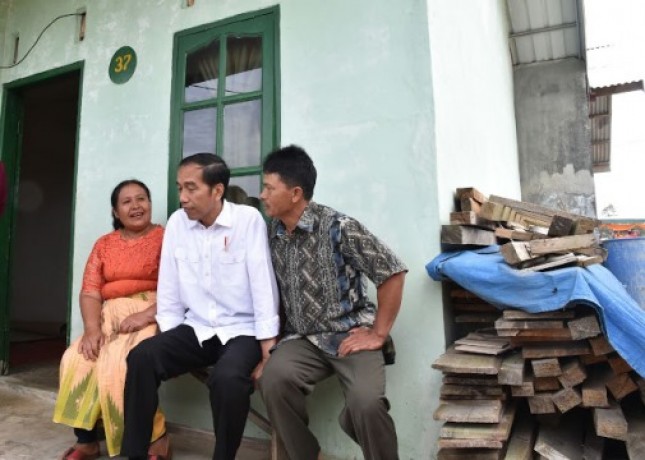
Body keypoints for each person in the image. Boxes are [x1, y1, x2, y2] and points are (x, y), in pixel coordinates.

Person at [121, 153, 280, 460]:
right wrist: (169, 343)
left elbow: (263, 286)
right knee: (142, 357)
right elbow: (169, 289)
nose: (182, 197)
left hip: (242, 330)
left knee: (228, 380)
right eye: (180, 188)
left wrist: (267, 348)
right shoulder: (178, 223)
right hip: (196, 327)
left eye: (191, 188)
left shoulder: (247, 221)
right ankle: (135, 454)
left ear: (217, 190)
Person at [258, 145, 407, 460]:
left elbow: (392, 271)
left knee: (366, 403)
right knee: (273, 380)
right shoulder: (272, 232)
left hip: (350, 333)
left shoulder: (339, 227)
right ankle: (306, 455)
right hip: (302, 338)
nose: (262, 195)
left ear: (295, 193)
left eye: (269, 188)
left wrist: (378, 333)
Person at [53, 179, 167, 459]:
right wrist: (92, 329)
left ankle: (156, 438)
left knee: (122, 362)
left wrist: (147, 314)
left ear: (150, 204)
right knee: (78, 356)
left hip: (155, 312)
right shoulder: (104, 245)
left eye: (141, 199)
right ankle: (86, 441)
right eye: (127, 202)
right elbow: (90, 292)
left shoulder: (167, 237)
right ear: (116, 212)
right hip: (108, 317)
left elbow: (180, 286)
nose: (136, 206)